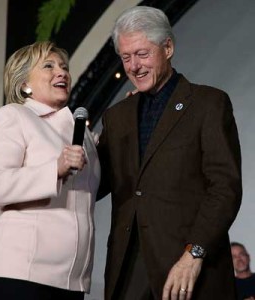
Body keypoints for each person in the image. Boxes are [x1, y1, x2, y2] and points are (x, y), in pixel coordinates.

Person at [97, 6, 242, 300]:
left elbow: (225, 187)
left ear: (168, 47)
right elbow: (96, 185)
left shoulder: (208, 104)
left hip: (188, 268)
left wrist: (194, 252)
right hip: (128, 272)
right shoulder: (117, 117)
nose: (134, 66)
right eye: (126, 57)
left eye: (142, 54)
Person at [0, 41, 100, 300]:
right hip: (19, 272)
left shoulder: (82, 135)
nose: (62, 72)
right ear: (24, 84)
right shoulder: (14, 116)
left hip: (71, 279)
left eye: (64, 67)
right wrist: (54, 168)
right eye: (49, 66)